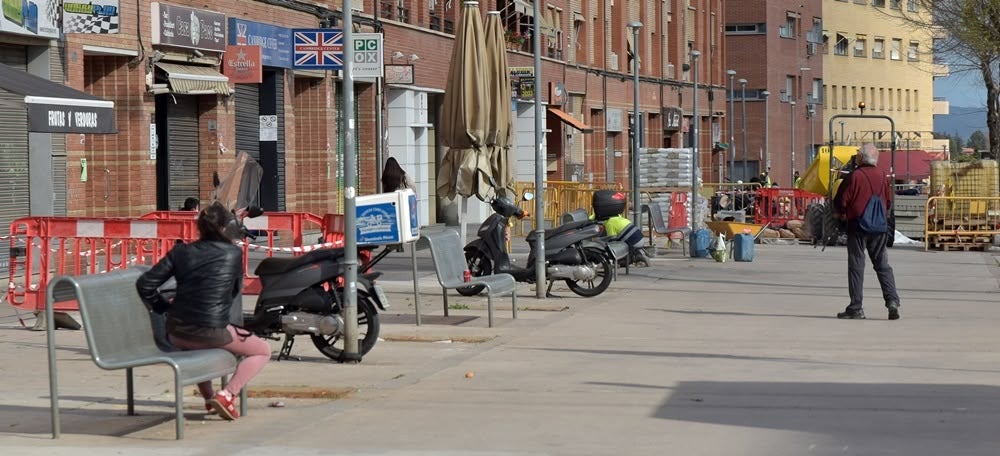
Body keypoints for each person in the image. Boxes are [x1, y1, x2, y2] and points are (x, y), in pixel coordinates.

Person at [136, 202, 271, 420]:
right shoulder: (232, 254)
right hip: (212, 331)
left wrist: (163, 308)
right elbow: (235, 290)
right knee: (262, 351)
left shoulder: (181, 252)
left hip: (177, 331)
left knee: (194, 348)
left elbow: (145, 284)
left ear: (199, 226)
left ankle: (209, 398)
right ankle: (227, 394)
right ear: (225, 227)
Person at [833, 143, 900, 320]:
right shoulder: (883, 176)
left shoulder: (854, 176)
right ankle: (892, 301)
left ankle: (856, 307)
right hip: (879, 228)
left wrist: (840, 216)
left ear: (861, 158)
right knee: (882, 265)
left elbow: (841, 200)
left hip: (857, 226)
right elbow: (888, 202)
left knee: (856, 265)